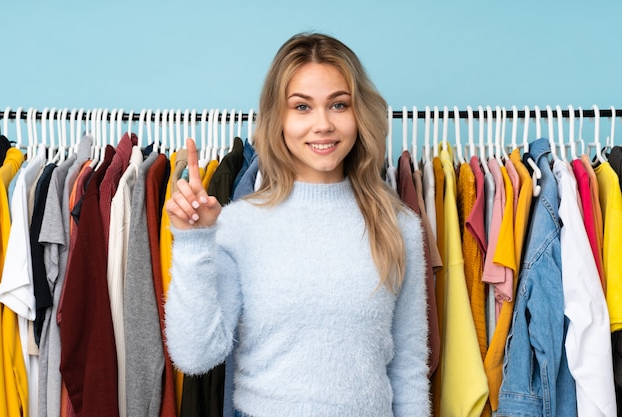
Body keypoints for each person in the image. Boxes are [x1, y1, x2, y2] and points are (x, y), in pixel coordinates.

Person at [164, 32, 430, 417]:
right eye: (302, 107)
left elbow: (408, 369)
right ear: (279, 118)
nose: (322, 124)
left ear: (360, 115)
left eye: (339, 105)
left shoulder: (398, 225)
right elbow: (196, 356)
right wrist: (191, 242)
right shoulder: (239, 223)